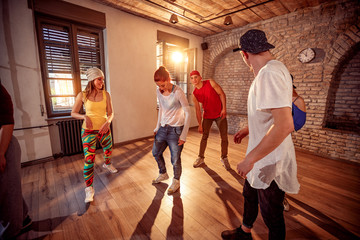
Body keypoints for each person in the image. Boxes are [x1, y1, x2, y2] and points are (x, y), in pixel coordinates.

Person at [221, 29, 300, 240]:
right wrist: (249, 130)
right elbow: (271, 114)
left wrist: (250, 159)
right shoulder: (272, 70)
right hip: (261, 154)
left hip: (269, 159)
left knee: (271, 214)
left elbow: (284, 125)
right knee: (249, 194)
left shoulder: (269, 74)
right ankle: (245, 232)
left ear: (244, 54)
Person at [71, 67, 117, 203]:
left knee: (108, 150)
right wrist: (84, 117)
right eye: (99, 79)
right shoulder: (82, 95)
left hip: (104, 129)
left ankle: (107, 164)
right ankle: (89, 189)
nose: (102, 82)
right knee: (89, 160)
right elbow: (73, 113)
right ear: (92, 79)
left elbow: (111, 113)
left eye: (102, 79)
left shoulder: (106, 95)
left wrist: (108, 122)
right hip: (88, 131)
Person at [0, 81, 32, 239]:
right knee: (7, 188)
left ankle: (11, 230)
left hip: (3, 144)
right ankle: (24, 217)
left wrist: (1, 153)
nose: (101, 82)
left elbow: (7, 121)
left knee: (7, 189)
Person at [151, 66, 191, 194]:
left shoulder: (178, 92)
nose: (161, 88)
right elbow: (161, 109)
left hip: (175, 130)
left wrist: (184, 135)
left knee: (175, 159)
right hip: (163, 128)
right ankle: (163, 173)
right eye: (159, 86)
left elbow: (188, 113)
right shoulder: (159, 91)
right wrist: (157, 127)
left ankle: (176, 181)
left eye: (163, 85)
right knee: (156, 153)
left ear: (169, 79)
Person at [189, 70, 230, 170]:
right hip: (207, 116)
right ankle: (200, 158)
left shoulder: (210, 82)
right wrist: (199, 124)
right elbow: (198, 110)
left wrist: (224, 109)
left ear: (200, 77)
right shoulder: (194, 94)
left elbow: (222, 94)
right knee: (204, 136)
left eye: (196, 77)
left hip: (220, 114)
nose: (194, 79)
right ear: (191, 80)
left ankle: (224, 157)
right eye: (192, 78)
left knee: (224, 137)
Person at [283, 75, 307, 211]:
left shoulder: (298, 100)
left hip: (283, 138)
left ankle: (282, 197)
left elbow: (298, 123)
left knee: (283, 168)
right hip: (266, 137)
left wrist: (281, 126)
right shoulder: (275, 98)